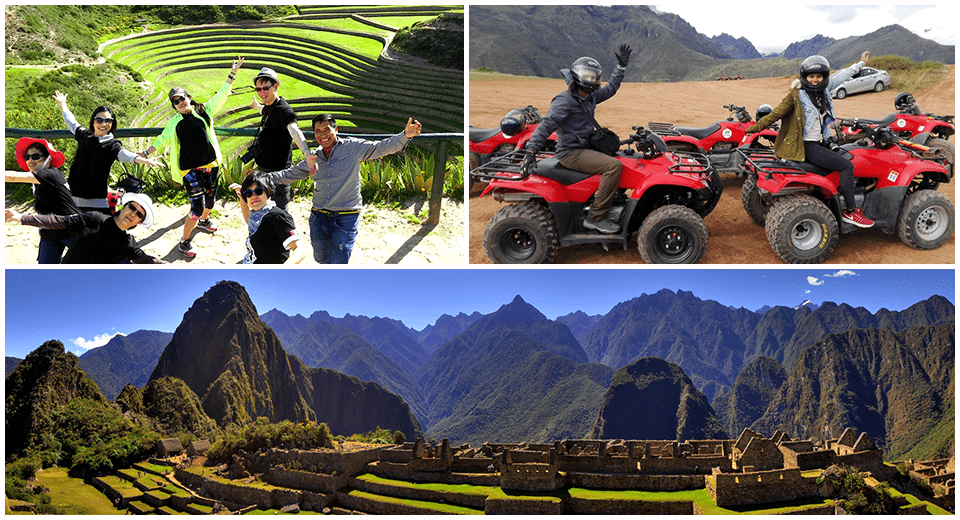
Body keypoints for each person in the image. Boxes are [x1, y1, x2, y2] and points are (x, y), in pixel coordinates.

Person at [259, 113, 422, 264]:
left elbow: (380, 148)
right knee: (320, 258)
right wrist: (260, 179)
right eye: (318, 131)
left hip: (345, 217)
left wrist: (405, 135)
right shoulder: (314, 157)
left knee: (338, 264)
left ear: (335, 129)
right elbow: (290, 174)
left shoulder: (353, 147)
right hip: (318, 217)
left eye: (326, 129)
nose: (322, 135)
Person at [746, 51, 874, 228]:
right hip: (806, 146)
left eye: (819, 76)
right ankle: (851, 211)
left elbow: (842, 76)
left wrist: (860, 64)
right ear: (804, 77)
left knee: (848, 153)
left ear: (824, 77)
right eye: (811, 76)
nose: (815, 80)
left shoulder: (825, 91)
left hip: (820, 142)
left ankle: (835, 197)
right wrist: (752, 129)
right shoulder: (796, 95)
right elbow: (775, 114)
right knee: (847, 166)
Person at [521, 45, 632, 234]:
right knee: (613, 166)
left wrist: (620, 68)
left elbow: (611, 89)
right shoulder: (565, 101)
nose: (591, 79)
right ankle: (596, 217)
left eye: (593, 76)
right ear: (576, 76)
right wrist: (531, 150)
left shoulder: (589, 97)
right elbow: (546, 124)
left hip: (585, 146)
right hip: (571, 152)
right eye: (587, 76)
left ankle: (612, 199)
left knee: (625, 157)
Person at [141, 57, 244, 258]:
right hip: (189, 169)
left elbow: (221, 96)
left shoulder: (202, 110)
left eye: (182, 98)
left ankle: (204, 222)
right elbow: (162, 140)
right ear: (174, 106)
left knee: (210, 200)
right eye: (175, 102)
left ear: (189, 97)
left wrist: (232, 74)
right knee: (196, 206)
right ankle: (184, 241)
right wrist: (145, 153)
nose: (180, 103)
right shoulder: (175, 123)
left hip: (210, 164)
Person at [52, 91, 163, 214]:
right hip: (73, 197)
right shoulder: (84, 135)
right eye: (99, 120)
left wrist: (144, 160)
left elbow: (125, 155)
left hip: (97, 200)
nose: (103, 124)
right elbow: (71, 122)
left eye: (108, 121)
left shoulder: (112, 145)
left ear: (112, 123)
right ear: (93, 122)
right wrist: (63, 104)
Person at [5, 192, 166, 264]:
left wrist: (163, 264)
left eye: (139, 215)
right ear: (124, 207)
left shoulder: (129, 243)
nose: (133, 214)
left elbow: (145, 259)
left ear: (139, 222)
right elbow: (59, 221)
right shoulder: (94, 218)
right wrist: (21, 217)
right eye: (132, 207)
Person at [243, 67, 316, 209]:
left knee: (280, 210)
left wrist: (307, 154)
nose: (262, 93)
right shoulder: (270, 107)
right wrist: (257, 107)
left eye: (265, 88)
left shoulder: (284, 110)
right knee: (264, 207)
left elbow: (295, 131)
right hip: (264, 169)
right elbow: (266, 111)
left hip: (279, 173)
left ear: (275, 86)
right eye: (258, 89)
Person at [4, 138, 82, 263]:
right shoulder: (38, 178)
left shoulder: (49, 174)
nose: (30, 160)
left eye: (35, 156)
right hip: (50, 230)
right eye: (27, 157)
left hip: (71, 229)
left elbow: (13, 176)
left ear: (49, 158)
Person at [230, 173, 305, 264]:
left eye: (258, 191)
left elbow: (300, 249)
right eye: (249, 193)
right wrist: (243, 202)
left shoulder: (278, 216)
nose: (254, 196)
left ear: (267, 191)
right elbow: (251, 222)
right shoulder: (258, 215)